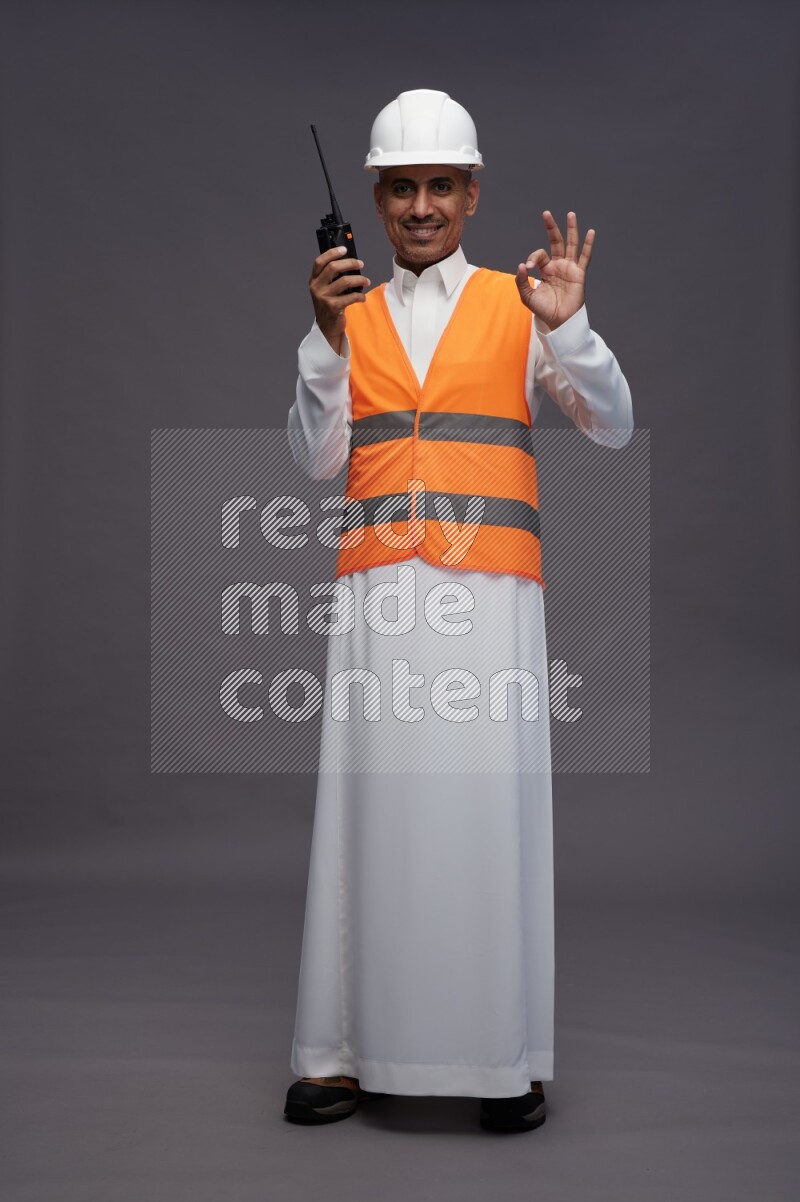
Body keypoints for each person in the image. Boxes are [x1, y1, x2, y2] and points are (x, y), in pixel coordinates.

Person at [283, 89, 633, 1133]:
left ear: (471, 195)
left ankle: (500, 1057)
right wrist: (319, 341)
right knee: (366, 812)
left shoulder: (521, 305)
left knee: (489, 814)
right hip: (380, 597)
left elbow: (609, 425)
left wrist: (570, 330)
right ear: (378, 201)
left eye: (441, 184)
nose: (422, 205)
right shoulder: (345, 314)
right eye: (403, 187)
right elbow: (312, 459)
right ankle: (340, 1051)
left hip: (487, 602)